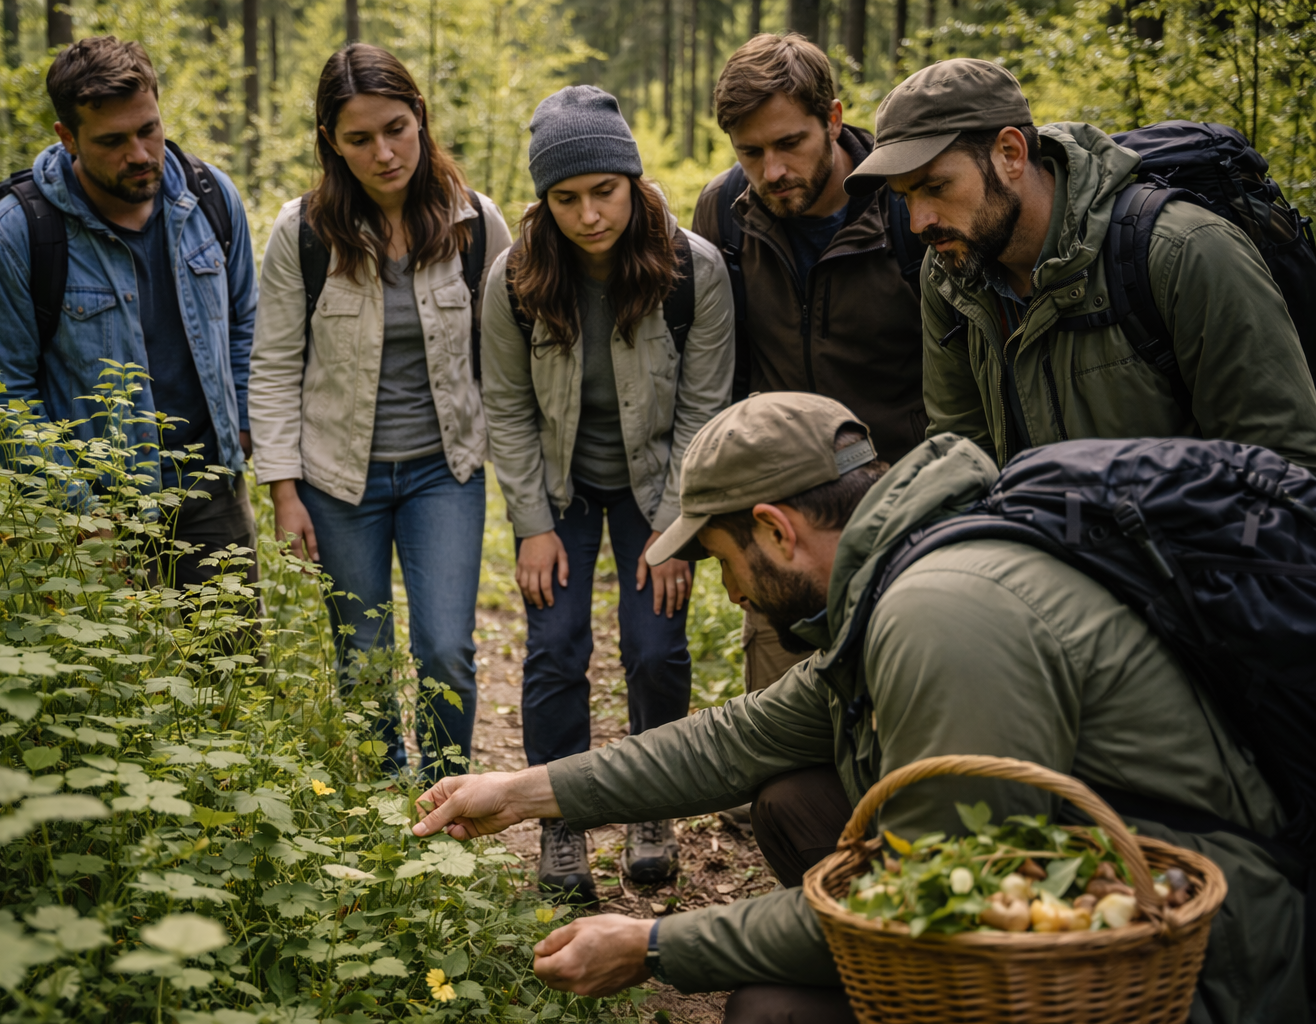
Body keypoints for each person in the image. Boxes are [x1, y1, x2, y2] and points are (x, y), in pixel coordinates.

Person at [409, 392, 1307, 1024]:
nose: (730, 593)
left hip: (1194, 955)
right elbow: (737, 740)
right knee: (792, 797)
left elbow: (929, 900)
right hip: (1092, 893)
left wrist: (650, 946)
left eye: (723, 560)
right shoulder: (905, 568)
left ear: (775, 529)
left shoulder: (938, 614)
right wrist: (521, 793)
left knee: (771, 1013)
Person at [478, 85, 734, 899]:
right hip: (560, 490)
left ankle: (652, 807)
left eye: (604, 191)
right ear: (544, 200)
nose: (589, 215)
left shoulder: (693, 270)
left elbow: (703, 408)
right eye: (566, 198)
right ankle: (560, 823)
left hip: (657, 488)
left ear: (633, 181)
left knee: (656, 647)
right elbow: (505, 406)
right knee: (556, 647)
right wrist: (532, 525)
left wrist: (675, 528)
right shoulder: (514, 278)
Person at [840, 57, 1316, 471]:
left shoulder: (1183, 251)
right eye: (905, 197)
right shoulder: (949, 273)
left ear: (1010, 153)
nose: (919, 222)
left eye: (936, 187)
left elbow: (1284, 468)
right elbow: (963, 457)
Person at [248, 44, 511, 778]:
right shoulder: (303, 232)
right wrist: (283, 490)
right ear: (330, 142)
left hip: (444, 474)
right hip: (338, 480)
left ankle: (447, 790)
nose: (384, 153)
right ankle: (384, 787)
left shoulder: (476, 223)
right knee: (361, 652)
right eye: (359, 138)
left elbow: (511, 356)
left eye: (396, 128)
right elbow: (273, 365)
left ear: (419, 116)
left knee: (446, 649)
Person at [0, 36, 260, 593]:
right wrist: (77, 511)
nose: (140, 154)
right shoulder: (13, 235)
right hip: (98, 512)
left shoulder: (211, 198)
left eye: (149, 129)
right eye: (112, 141)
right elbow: (0, 392)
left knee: (232, 652)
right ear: (68, 138)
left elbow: (246, 320)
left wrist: (241, 424)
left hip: (213, 494)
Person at [692, 33, 927, 705]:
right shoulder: (725, 215)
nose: (771, 171)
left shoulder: (904, 207)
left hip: (905, 511)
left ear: (832, 119)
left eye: (789, 143)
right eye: (750, 152)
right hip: (782, 536)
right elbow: (718, 370)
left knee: (904, 713)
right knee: (780, 740)